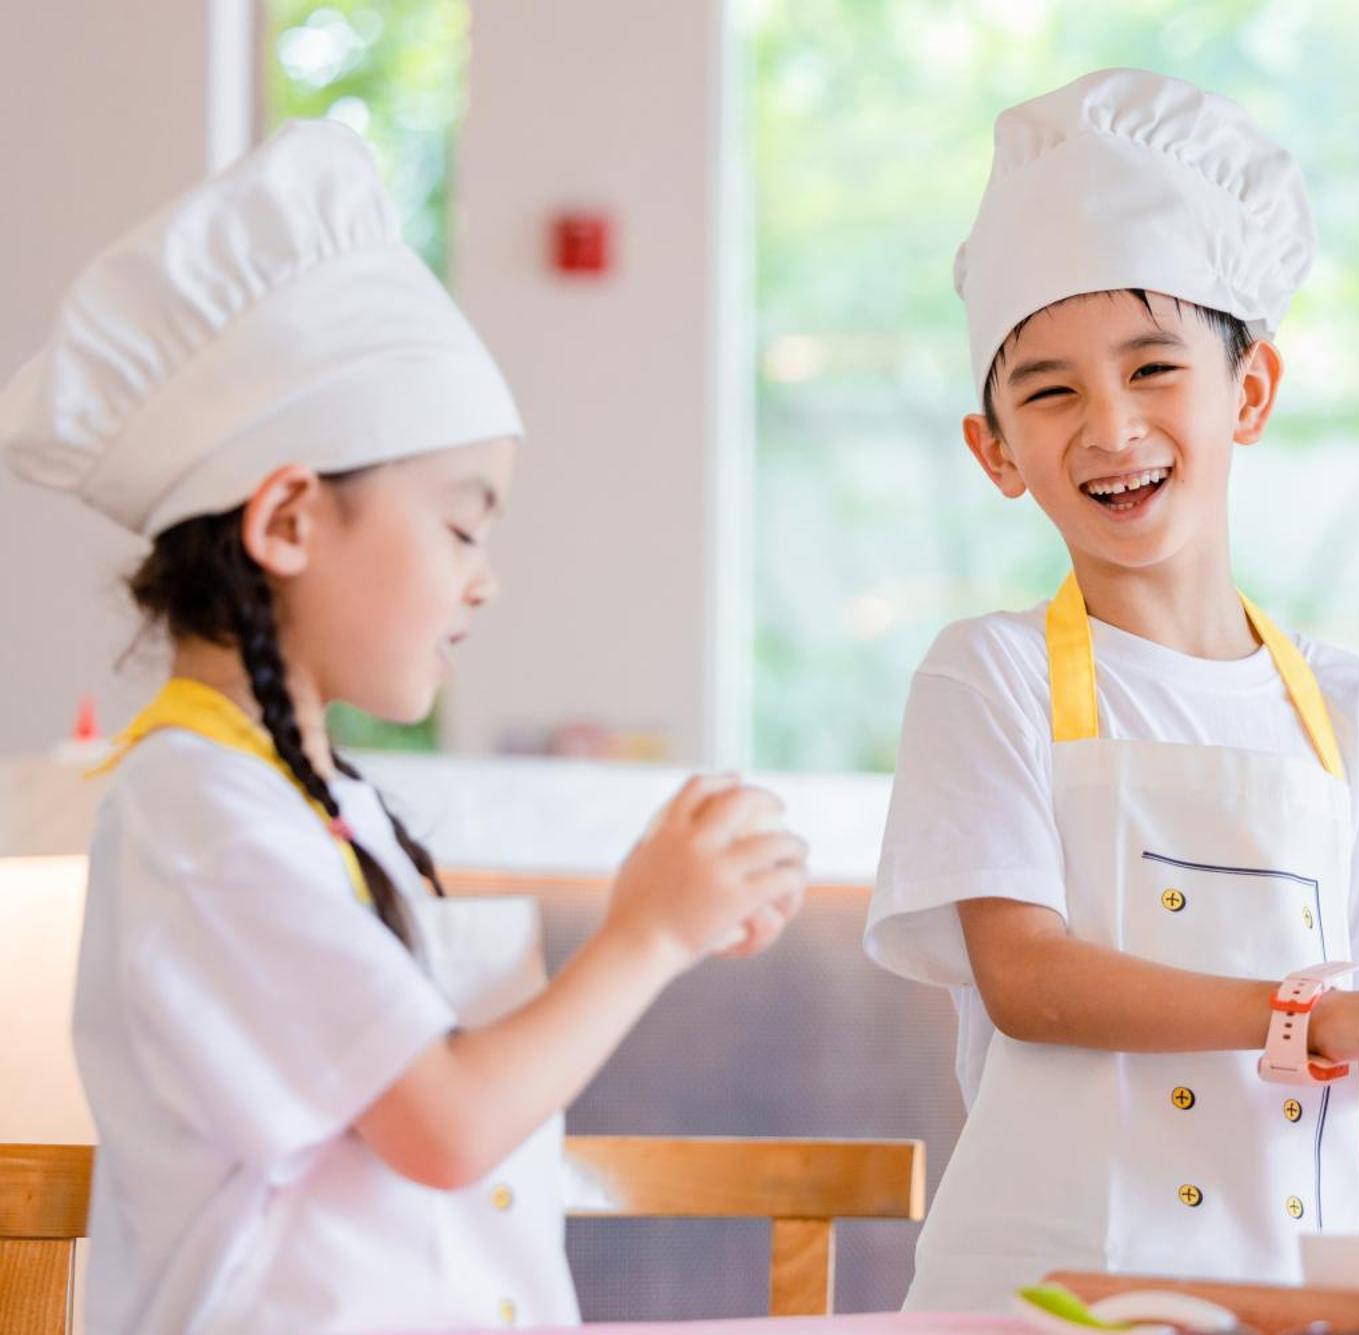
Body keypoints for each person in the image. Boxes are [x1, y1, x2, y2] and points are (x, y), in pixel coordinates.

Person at [0, 121, 809, 1332]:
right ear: (287, 521)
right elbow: (442, 1124)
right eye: (461, 525)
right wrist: (645, 933)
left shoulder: (311, 800)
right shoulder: (199, 811)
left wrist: (678, 906)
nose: (485, 580)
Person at [864, 69, 1359, 1312]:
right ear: (994, 452)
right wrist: (1315, 1015)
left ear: (1248, 393)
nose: (1109, 425)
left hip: (1293, 1292)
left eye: (1151, 369)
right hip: (1042, 1295)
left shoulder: (1345, 703)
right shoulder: (989, 674)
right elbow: (1028, 982)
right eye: (1049, 390)